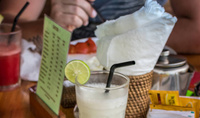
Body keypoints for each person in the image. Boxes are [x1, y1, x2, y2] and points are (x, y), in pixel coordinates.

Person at [0, 0, 200, 54]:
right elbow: (7, 26)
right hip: (61, 80)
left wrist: (120, 37)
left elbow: (196, 31)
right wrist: (52, 26)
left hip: (141, 74)